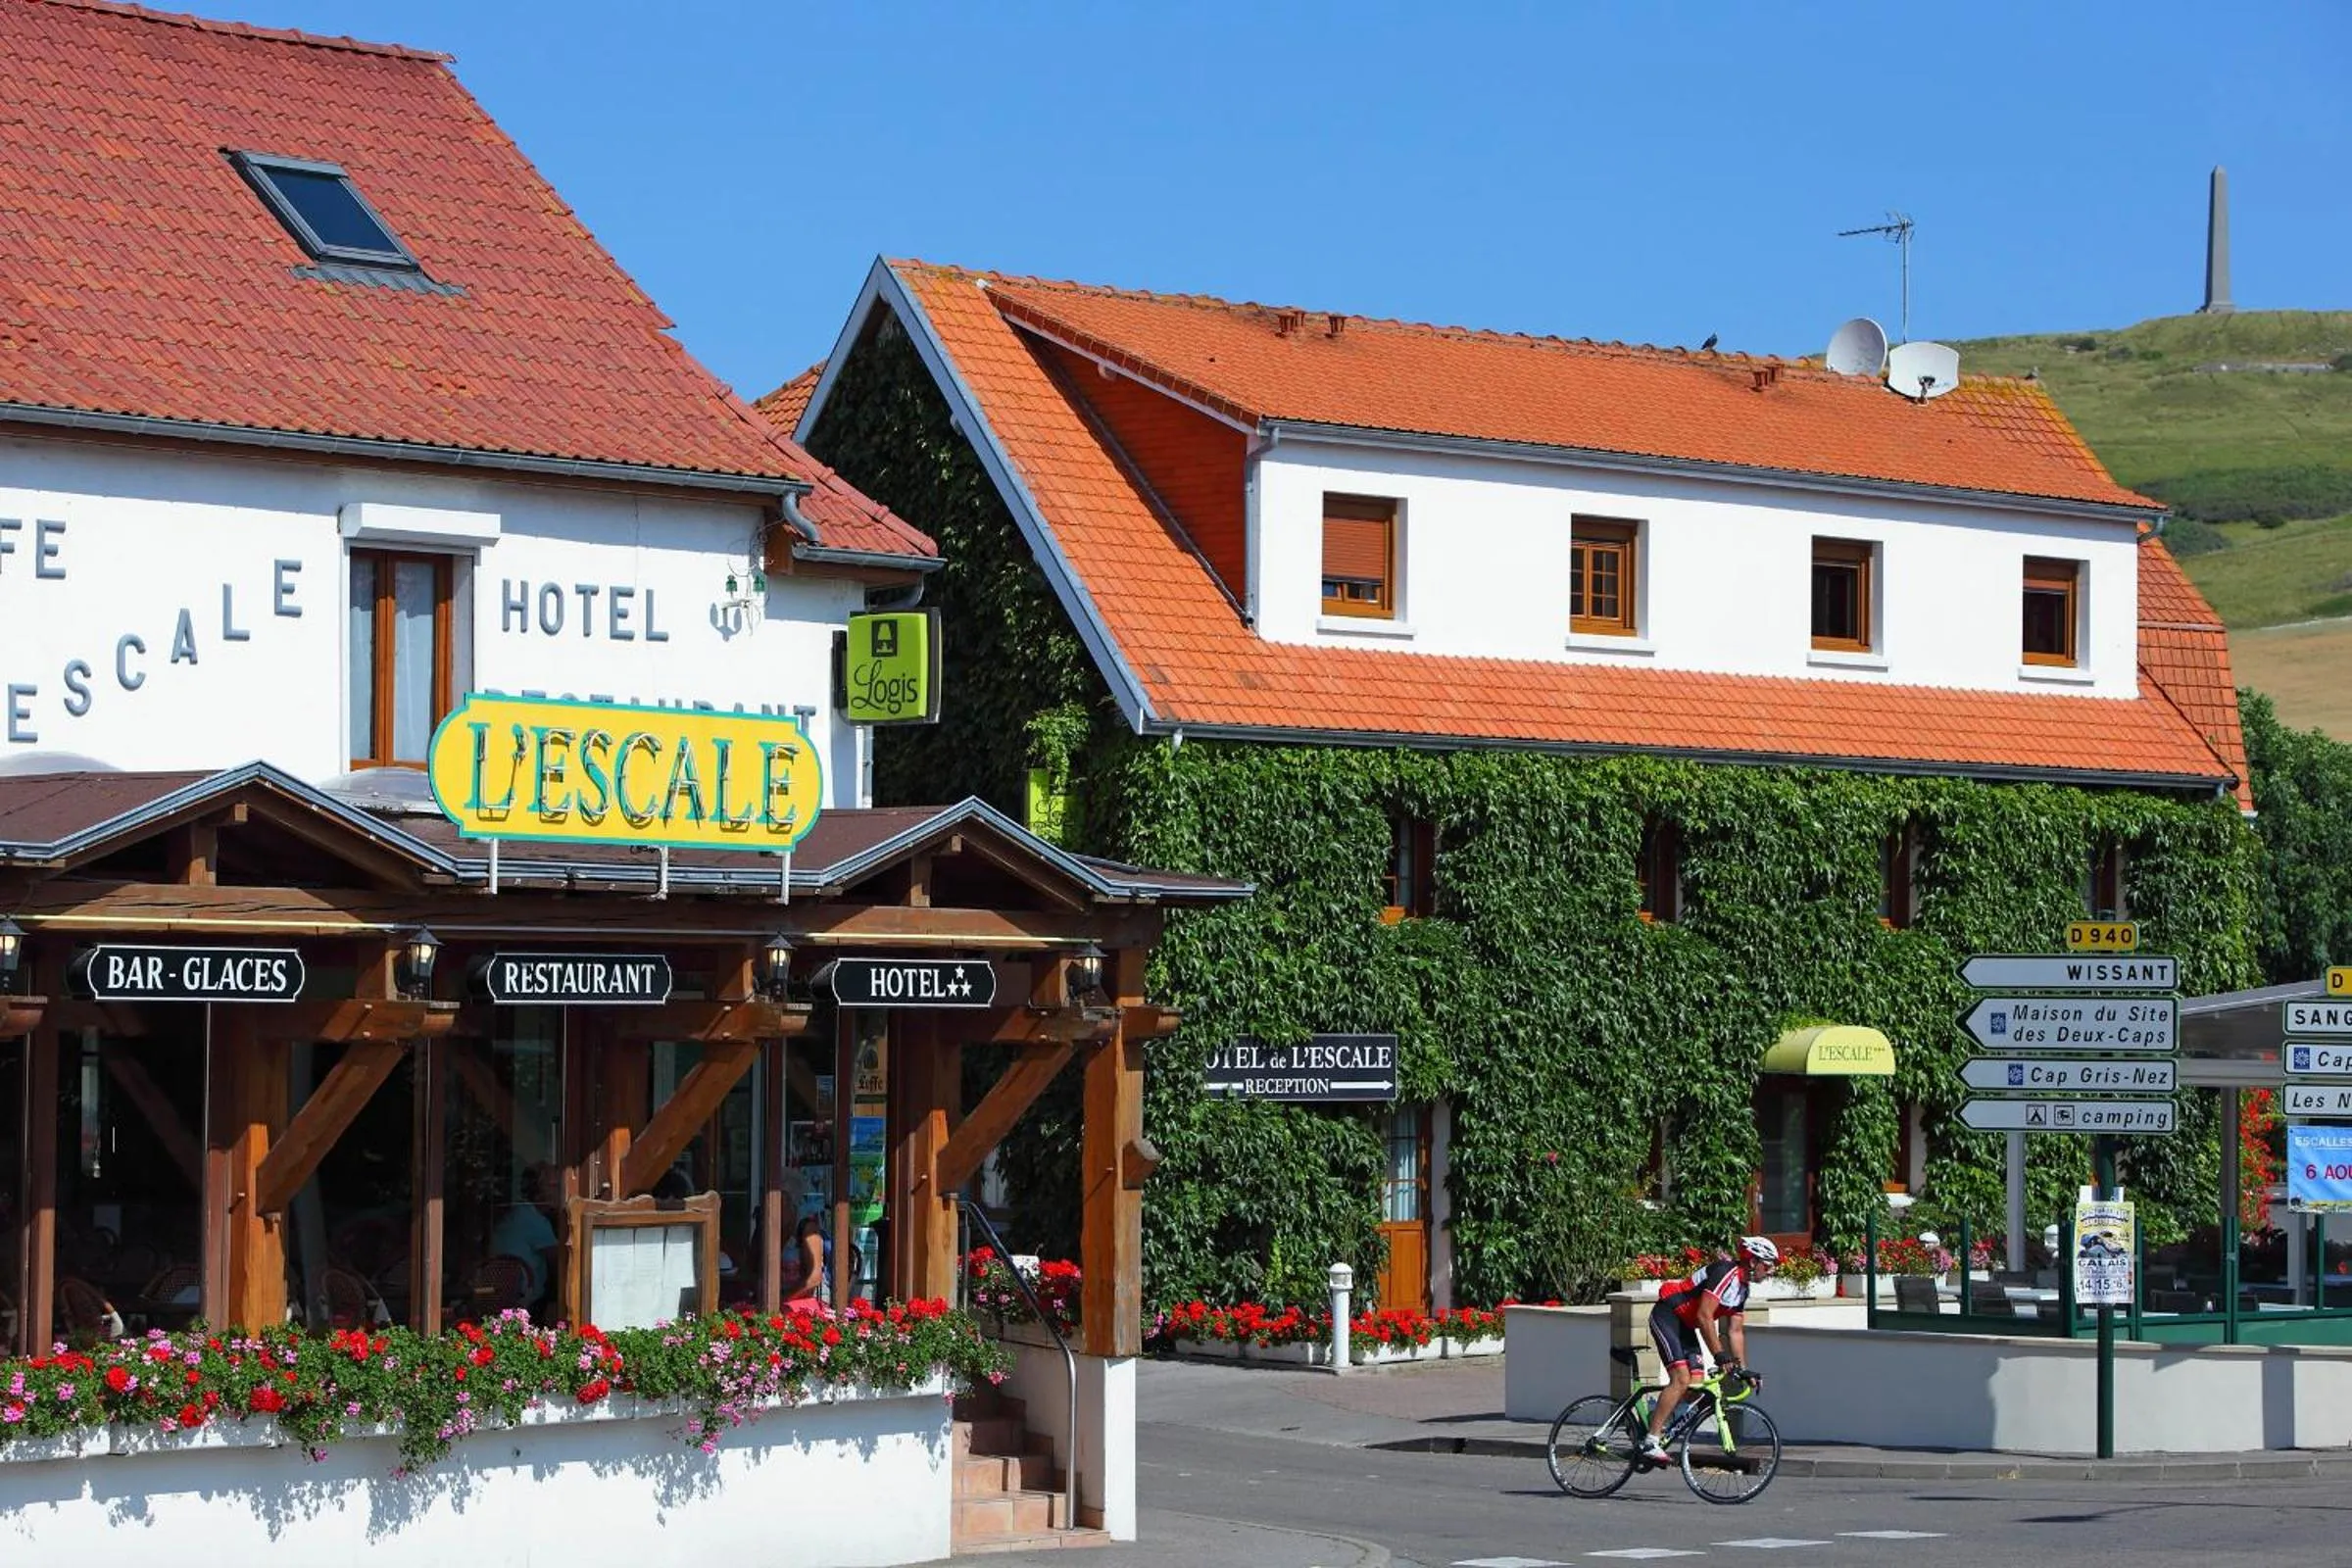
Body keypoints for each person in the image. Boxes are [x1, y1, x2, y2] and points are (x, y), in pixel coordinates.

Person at [1640, 1235, 1776, 1465]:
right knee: (1681, 1378)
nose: (1771, 1271)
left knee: (1696, 1385)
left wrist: (1743, 1369)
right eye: (1768, 1265)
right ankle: (1650, 1441)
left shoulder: (1742, 1290)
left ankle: (1656, 1416)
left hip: (1686, 1325)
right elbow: (1704, 1316)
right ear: (1752, 1261)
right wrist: (1720, 1355)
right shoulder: (1725, 1273)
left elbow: (1735, 1331)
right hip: (1668, 1315)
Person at [489, 1162, 562, 1315]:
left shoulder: (518, 1212)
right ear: (540, 1191)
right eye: (555, 1186)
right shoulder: (533, 1220)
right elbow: (561, 1264)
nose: (561, 1191)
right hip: (525, 1303)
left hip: (498, 1297)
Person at [780, 1215, 830, 1313]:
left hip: (807, 1300)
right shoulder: (768, 1225)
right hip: (785, 1301)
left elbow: (814, 1278)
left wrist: (782, 1300)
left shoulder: (807, 1227)